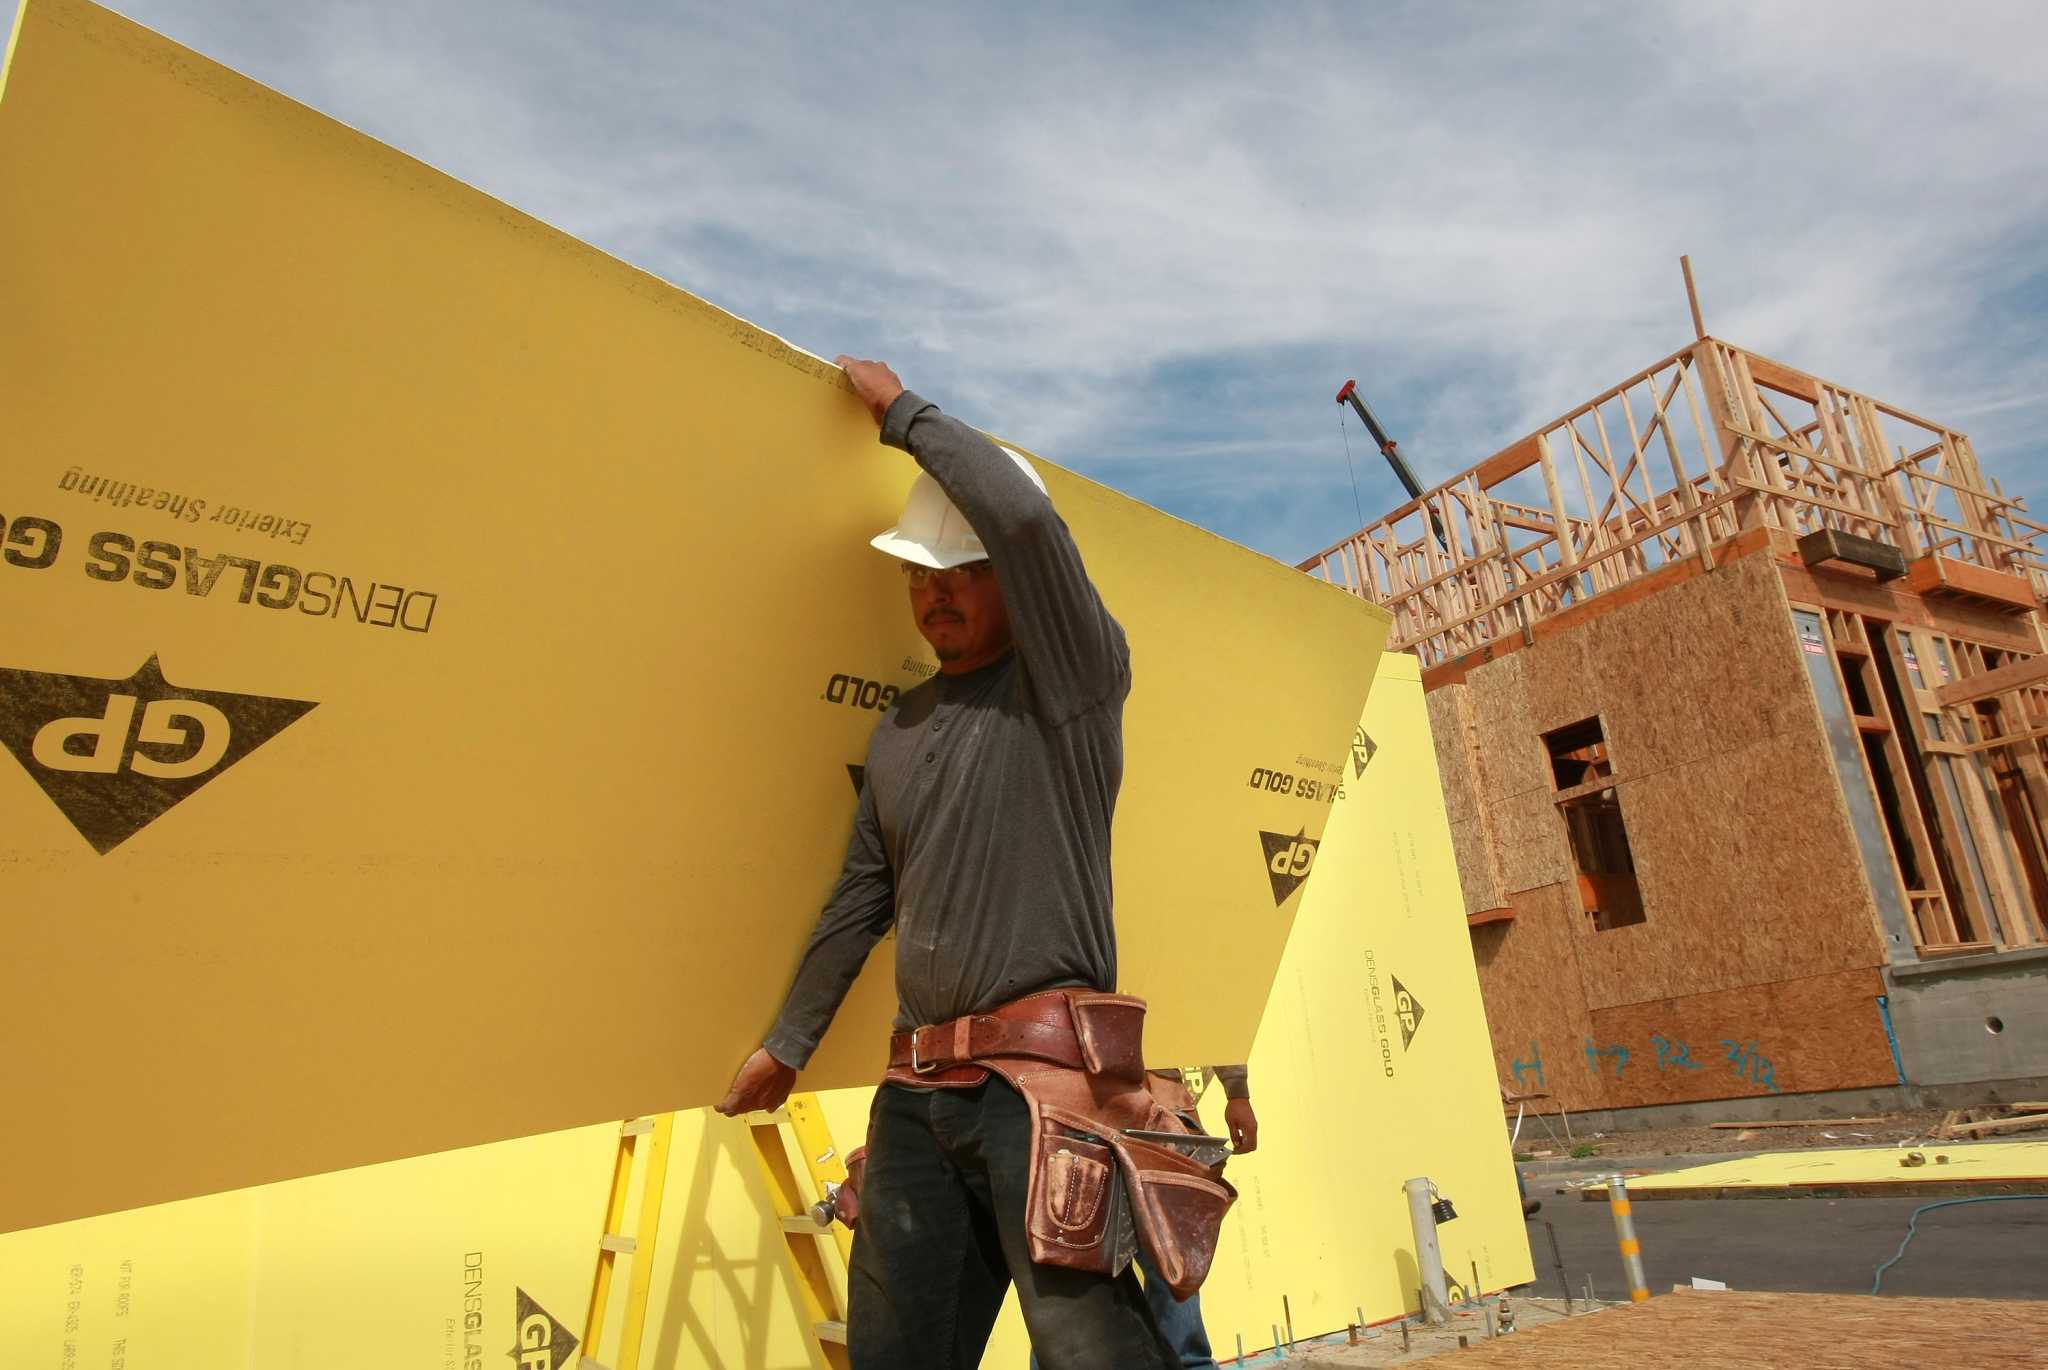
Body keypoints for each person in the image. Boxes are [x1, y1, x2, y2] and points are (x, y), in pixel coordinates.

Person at [715, 357, 1176, 1370]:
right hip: (916, 1095)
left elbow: (1021, 522)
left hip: (1043, 1090)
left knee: (1088, 1352)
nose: (934, 595)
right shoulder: (899, 728)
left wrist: (901, 413)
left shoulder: (1071, 685)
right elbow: (858, 897)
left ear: (1012, 583)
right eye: (918, 575)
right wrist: (788, 1041)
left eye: (957, 572)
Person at [1031, 1066, 1258, 1370]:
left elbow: (1212, 1020)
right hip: (1080, 1108)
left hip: (1160, 1111)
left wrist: (1237, 1091)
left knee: (1171, 1263)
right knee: (1070, 1263)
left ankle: (1189, 1364)